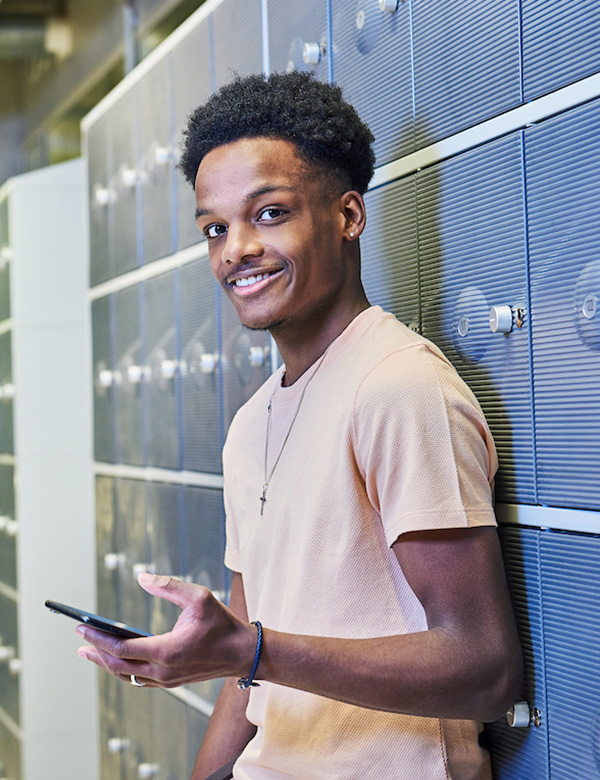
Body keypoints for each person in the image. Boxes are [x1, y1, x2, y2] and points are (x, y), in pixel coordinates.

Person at [77, 72, 522, 780]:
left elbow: (484, 666)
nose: (236, 250)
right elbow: (246, 668)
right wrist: (237, 657)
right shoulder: (251, 424)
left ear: (347, 216)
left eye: (270, 213)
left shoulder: (397, 386)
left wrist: (251, 651)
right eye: (215, 229)